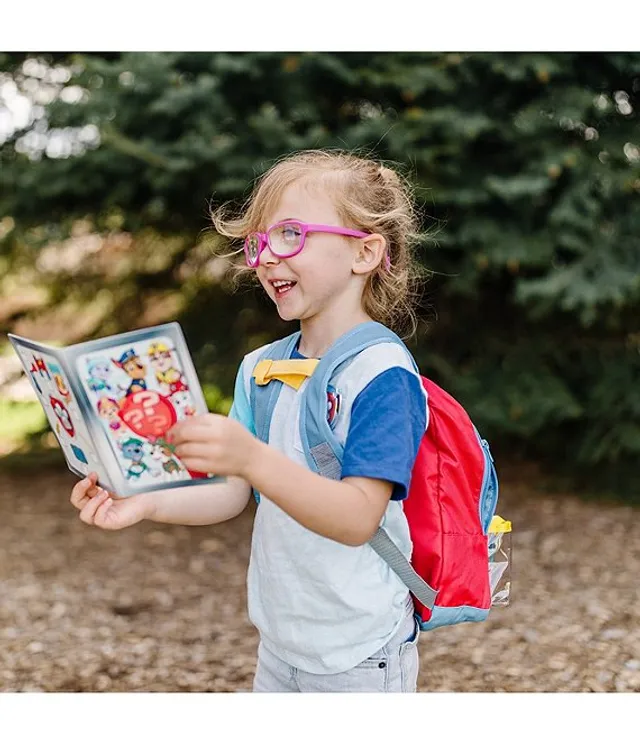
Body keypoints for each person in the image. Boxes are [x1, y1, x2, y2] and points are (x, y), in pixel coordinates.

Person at [70, 149, 429, 692]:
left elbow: (358, 517)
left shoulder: (382, 374)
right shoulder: (261, 369)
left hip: (361, 651)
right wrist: (144, 501)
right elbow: (232, 493)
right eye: (257, 242)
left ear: (365, 252)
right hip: (280, 643)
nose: (264, 258)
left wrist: (252, 458)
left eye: (289, 235)